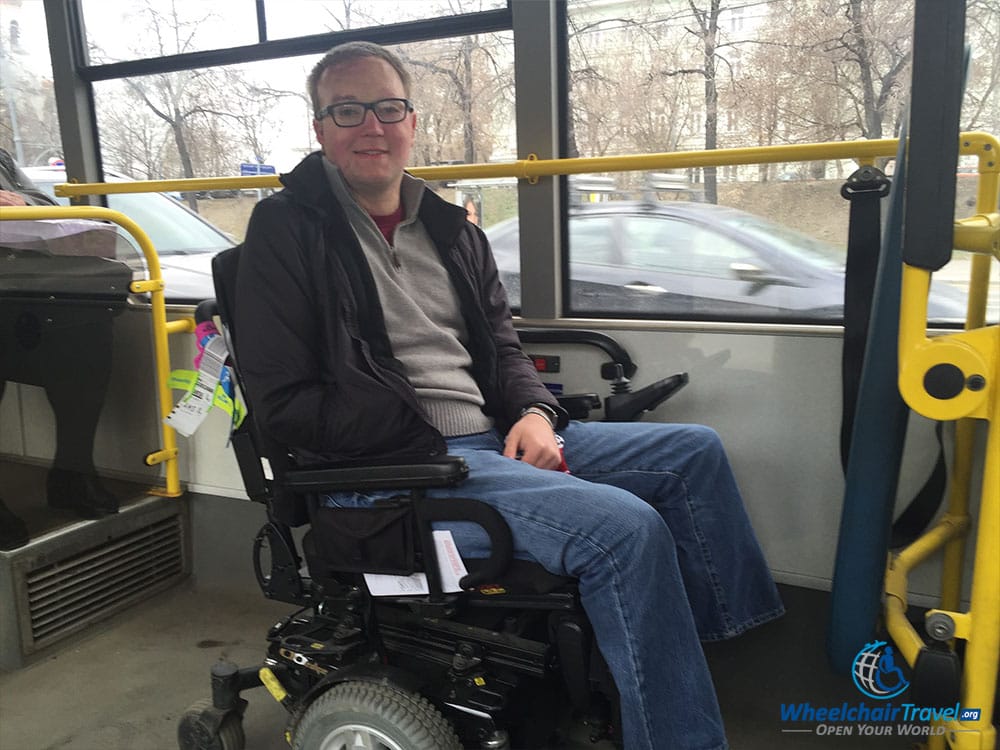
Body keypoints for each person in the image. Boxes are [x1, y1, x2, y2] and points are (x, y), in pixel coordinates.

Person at [235, 41, 783, 750]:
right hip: (398, 472)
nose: (371, 125)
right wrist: (426, 432)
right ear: (321, 128)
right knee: (626, 529)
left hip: (491, 440)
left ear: (411, 120)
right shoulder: (286, 232)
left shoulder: (452, 229)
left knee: (693, 454)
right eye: (347, 110)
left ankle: (680, 671)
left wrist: (533, 414)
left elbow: (502, 350)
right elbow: (285, 406)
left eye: (387, 107)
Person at [0, 148, 119, 552]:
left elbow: (46, 204)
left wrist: (22, 203)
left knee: (87, 337)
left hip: (15, 284)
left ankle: (72, 470)